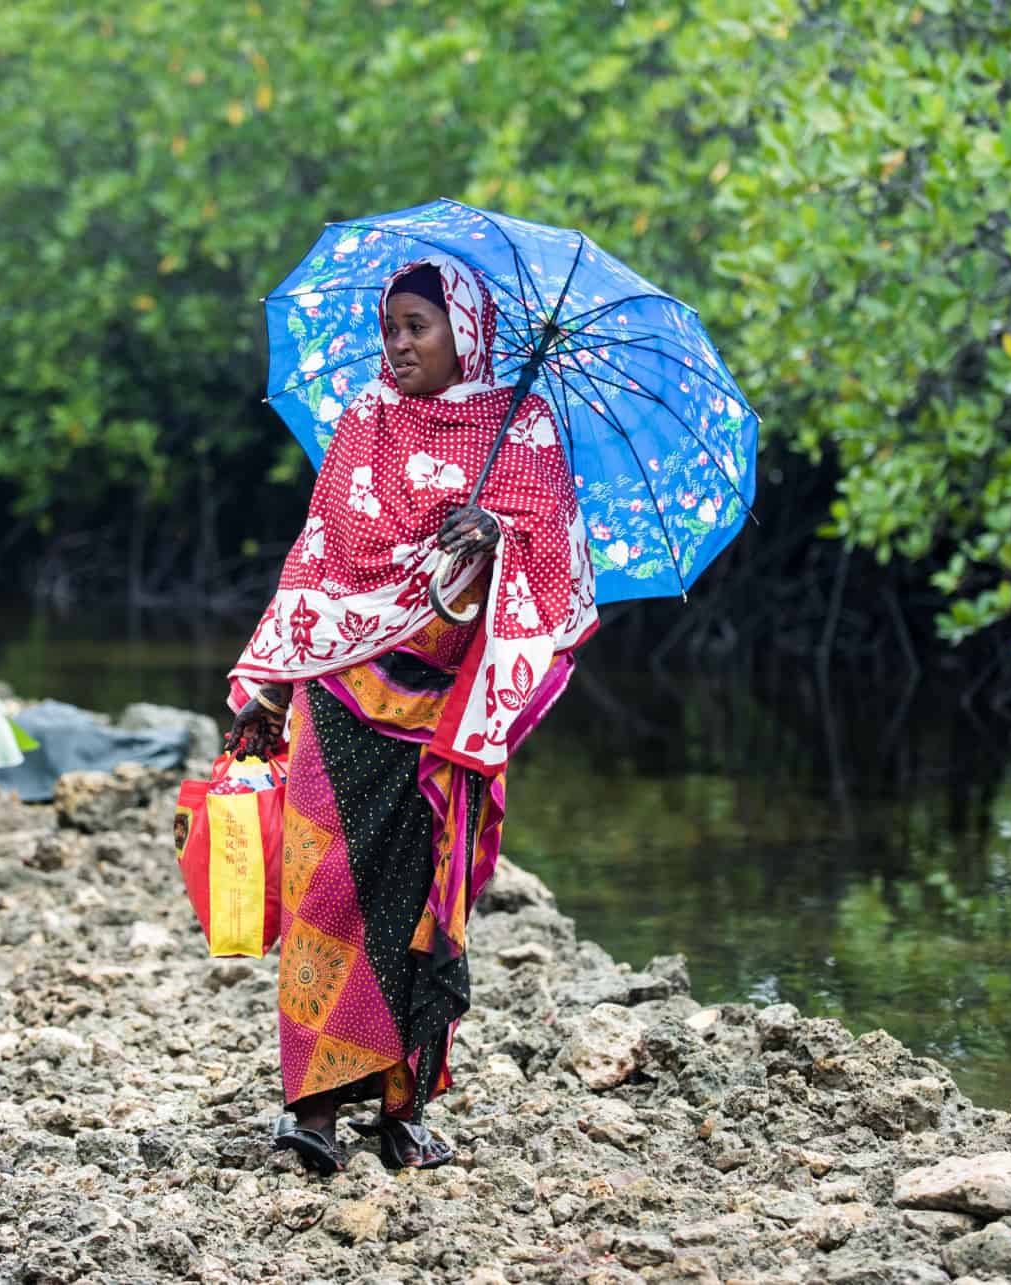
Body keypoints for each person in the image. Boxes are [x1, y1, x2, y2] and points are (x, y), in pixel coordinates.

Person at [226, 257, 598, 1172]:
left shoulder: (527, 434)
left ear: (463, 331)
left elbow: (547, 569)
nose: (397, 345)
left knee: (424, 907)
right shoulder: (366, 419)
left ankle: (403, 1107)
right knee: (324, 894)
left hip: (448, 714)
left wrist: (496, 536)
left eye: (417, 326)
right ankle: (311, 1106)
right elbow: (323, 556)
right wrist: (271, 685)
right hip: (346, 695)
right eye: (389, 326)